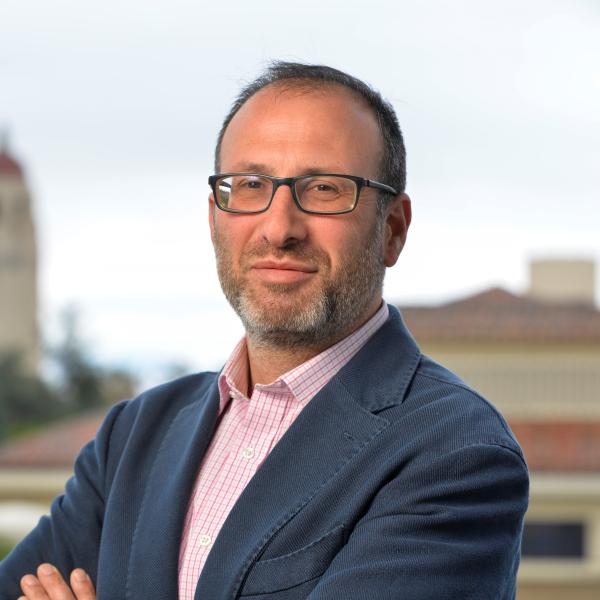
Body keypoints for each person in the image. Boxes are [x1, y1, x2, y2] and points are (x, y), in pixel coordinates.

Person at [0, 61, 529, 600]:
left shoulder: (456, 454)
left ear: (392, 230)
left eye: (324, 188)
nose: (279, 229)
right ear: (214, 219)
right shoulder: (135, 435)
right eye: (250, 185)